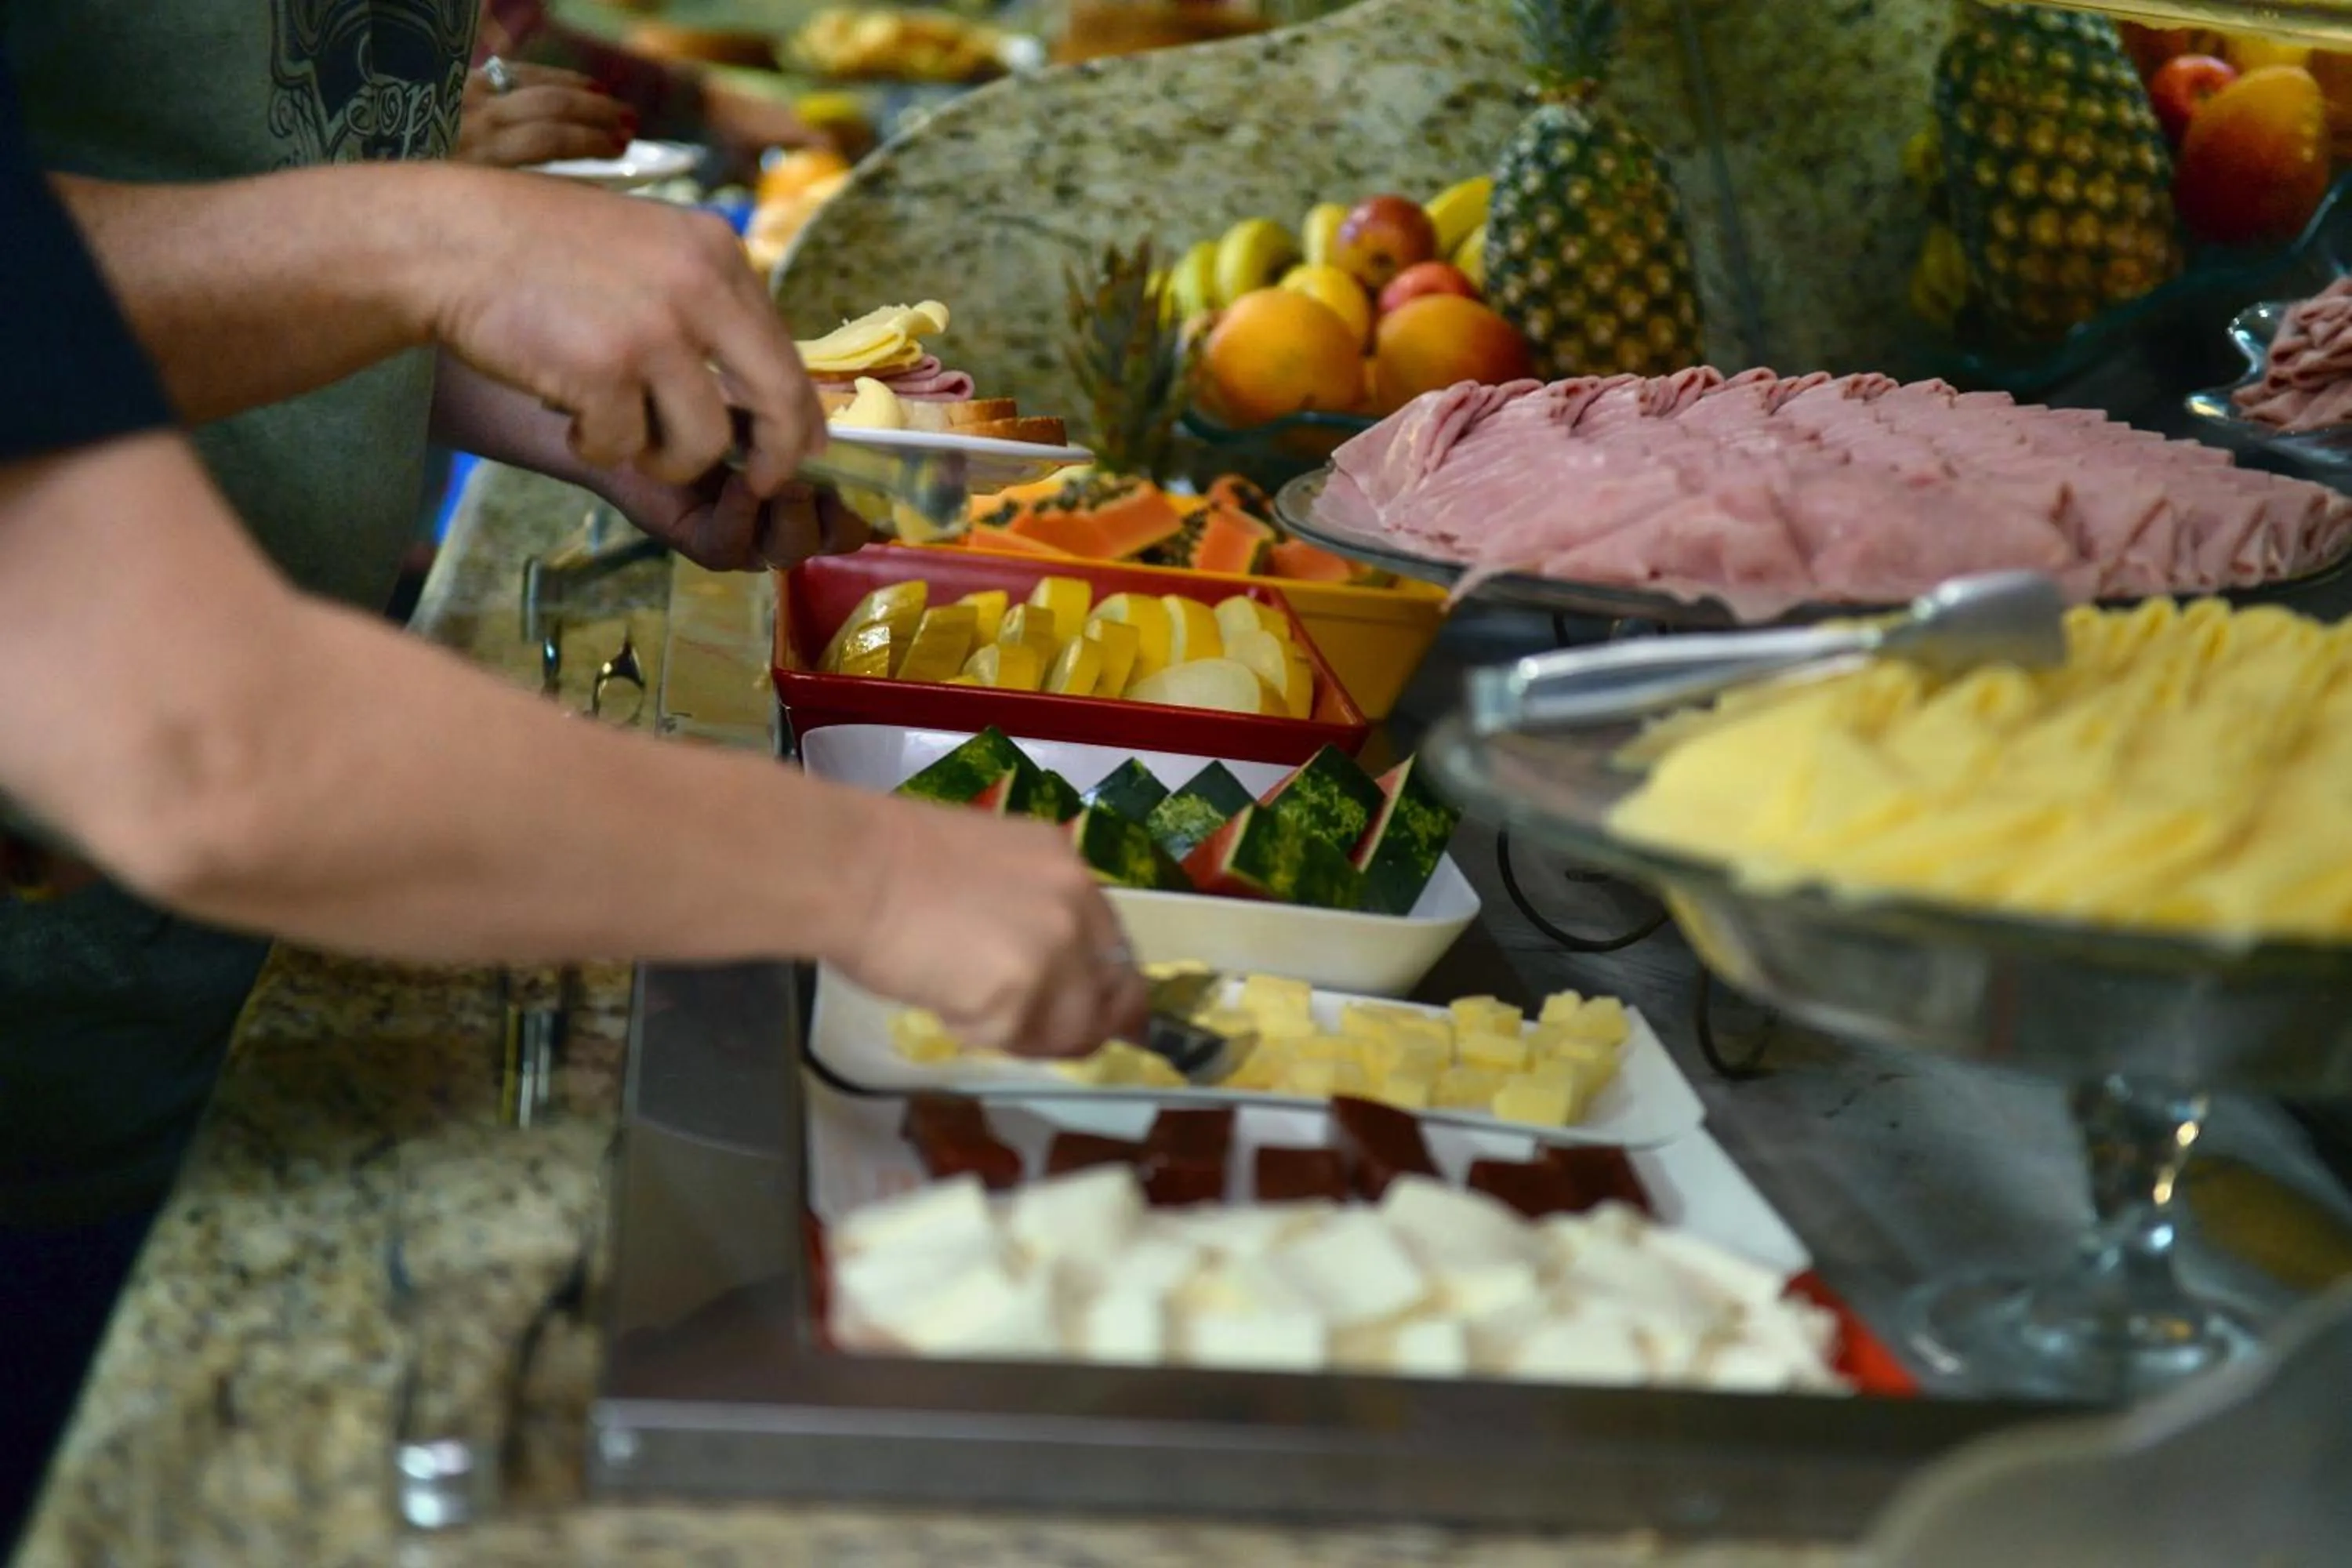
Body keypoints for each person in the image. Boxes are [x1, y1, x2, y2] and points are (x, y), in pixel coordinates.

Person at [0, 47, 1145, 1543]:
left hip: (172, 978)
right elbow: (189, 741)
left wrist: (564, 389)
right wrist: (871, 877)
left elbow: (126, 276)